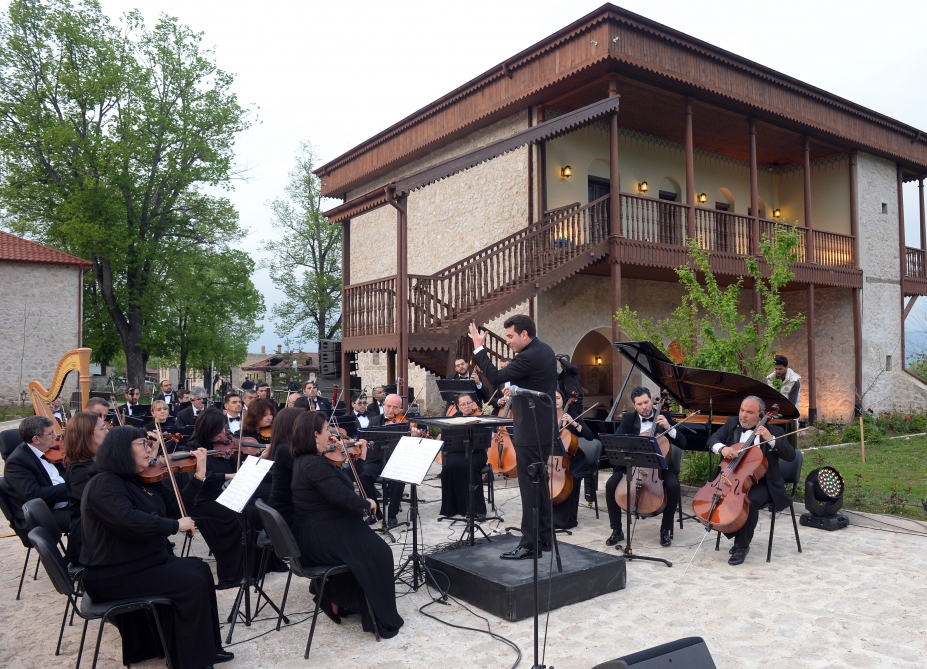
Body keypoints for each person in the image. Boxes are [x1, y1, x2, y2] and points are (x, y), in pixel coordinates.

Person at [79, 426, 232, 669]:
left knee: (200, 570)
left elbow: (179, 506)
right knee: (190, 581)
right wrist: (174, 526)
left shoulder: (140, 478)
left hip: (141, 562)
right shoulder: (104, 483)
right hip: (113, 574)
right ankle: (192, 661)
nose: (149, 448)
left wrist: (199, 476)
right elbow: (129, 521)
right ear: (122, 450)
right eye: (142, 443)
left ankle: (206, 649)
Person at [290, 411, 403, 638]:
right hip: (323, 534)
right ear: (314, 435)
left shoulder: (309, 460)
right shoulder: (314, 464)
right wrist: (367, 503)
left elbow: (336, 487)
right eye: (327, 431)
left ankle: (339, 600)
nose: (331, 435)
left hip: (320, 529)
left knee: (368, 553)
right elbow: (342, 496)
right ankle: (381, 618)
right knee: (380, 554)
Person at [469, 315, 558, 560]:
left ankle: (530, 544)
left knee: (530, 489)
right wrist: (517, 388)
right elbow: (533, 381)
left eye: (510, 336)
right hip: (543, 428)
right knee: (539, 486)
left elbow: (496, 377)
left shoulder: (528, 356)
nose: (508, 341)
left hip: (530, 432)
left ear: (524, 335)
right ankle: (545, 538)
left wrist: (479, 348)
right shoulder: (545, 350)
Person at [707, 395, 793, 565]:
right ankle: (735, 533)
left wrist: (771, 440)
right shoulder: (732, 424)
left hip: (764, 483)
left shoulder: (775, 432)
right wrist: (723, 449)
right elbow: (712, 440)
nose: (743, 415)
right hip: (734, 479)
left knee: (749, 501)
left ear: (760, 415)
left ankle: (741, 546)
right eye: (742, 410)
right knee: (722, 499)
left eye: (749, 412)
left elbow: (790, 455)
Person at [604, 387, 685, 548]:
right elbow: (618, 440)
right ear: (634, 405)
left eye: (646, 402)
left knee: (674, 486)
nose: (645, 407)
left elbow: (683, 442)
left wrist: (669, 427)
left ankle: (665, 530)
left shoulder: (664, 416)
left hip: (660, 469)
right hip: (633, 466)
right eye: (640, 404)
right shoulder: (628, 419)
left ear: (651, 400)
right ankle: (617, 530)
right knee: (610, 485)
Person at [180, 408, 250, 588]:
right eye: (218, 430)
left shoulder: (222, 446)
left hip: (221, 495)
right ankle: (230, 574)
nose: (223, 433)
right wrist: (229, 475)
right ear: (207, 429)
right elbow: (203, 479)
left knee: (250, 510)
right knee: (233, 515)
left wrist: (231, 461)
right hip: (201, 501)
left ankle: (250, 568)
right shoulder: (192, 449)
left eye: (224, 428)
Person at [5, 415, 69, 532]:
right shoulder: (17, 462)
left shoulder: (49, 450)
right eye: (50, 433)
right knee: (84, 521)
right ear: (36, 439)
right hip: (43, 513)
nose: (55, 436)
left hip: (64, 504)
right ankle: (77, 550)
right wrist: (71, 487)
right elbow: (34, 495)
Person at [62, 411, 108, 565]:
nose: (107, 431)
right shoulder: (79, 472)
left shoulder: (98, 462)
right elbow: (106, 504)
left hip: (102, 536)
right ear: (88, 436)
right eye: (102, 429)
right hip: (88, 546)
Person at [438, 394, 490, 520]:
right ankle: (453, 507)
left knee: (470, 465)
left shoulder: (480, 419)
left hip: (477, 453)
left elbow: (485, 440)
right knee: (450, 465)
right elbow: (447, 441)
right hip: (457, 451)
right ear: (457, 406)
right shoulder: (453, 420)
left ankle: (476, 509)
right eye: (463, 404)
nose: (466, 406)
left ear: (473, 403)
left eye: (469, 403)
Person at [551, 389, 593, 531]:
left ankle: (567, 520)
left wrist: (573, 423)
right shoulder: (547, 417)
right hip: (554, 458)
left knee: (571, 479)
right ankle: (548, 517)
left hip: (574, 458)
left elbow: (589, 436)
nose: (556, 400)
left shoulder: (572, 415)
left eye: (558, 397)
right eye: (553, 398)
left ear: (563, 399)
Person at [264, 407, 304, 529]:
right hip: (287, 513)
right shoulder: (285, 449)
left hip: (291, 508)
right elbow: (309, 471)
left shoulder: (287, 447)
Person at [556, 354, 583, 418]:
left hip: (576, 402)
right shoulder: (562, 375)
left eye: (564, 361)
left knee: (575, 421)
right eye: (561, 362)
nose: (563, 363)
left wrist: (559, 358)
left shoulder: (574, 369)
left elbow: (570, 367)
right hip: (567, 403)